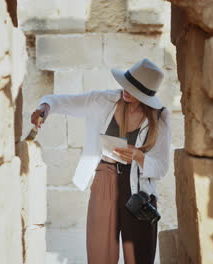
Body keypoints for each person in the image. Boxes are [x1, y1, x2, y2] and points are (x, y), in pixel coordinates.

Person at [31, 58, 172, 264]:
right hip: (104, 180)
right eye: (126, 84)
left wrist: (139, 156)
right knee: (100, 253)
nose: (125, 90)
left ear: (145, 95)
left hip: (139, 191)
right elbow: (62, 101)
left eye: (133, 89)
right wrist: (45, 107)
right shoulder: (103, 100)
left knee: (140, 255)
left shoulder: (160, 118)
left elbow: (161, 167)